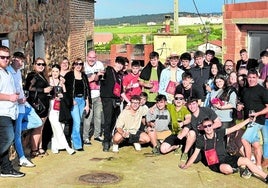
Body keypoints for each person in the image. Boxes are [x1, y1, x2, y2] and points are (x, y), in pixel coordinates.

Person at [180, 118, 268, 184]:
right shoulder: (201, 139)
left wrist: (248, 120)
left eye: (210, 125)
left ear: (213, 125)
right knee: (227, 169)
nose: (208, 128)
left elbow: (235, 127)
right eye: (205, 126)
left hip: (226, 157)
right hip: (214, 163)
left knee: (246, 160)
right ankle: (234, 169)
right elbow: (195, 154)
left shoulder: (219, 132)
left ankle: (265, 177)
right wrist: (186, 165)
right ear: (203, 128)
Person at [7, 51, 42, 167]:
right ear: (13, 59)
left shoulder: (18, 72)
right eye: (19, 60)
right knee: (17, 135)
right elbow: (8, 93)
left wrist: (24, 99)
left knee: (37, 121)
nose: (21, 63)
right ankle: (22, 158)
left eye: (22, 61)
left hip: (24, 105)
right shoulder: (8, 72)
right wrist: (18, 100)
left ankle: (13, 131)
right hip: (16, 106)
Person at [238, 69, 268, 177]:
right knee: (255, 144)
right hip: (248, 121)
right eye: (249, 77)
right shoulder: (245, 90)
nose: (251, 79)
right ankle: (258, 166)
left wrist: (257, 114)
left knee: (244, 140)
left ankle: (248, 167)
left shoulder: (262, 91)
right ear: (247, 78)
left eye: (253, 77)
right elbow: (244, 103)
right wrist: (240, 106)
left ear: (257, 77)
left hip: (257, 120)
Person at [0, 46, 25, 177]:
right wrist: (9, 97)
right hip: (2, 112)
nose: (5, 59)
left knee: (5, 139)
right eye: (2, 57)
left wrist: (15, 97)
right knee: (8, 138)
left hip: (11, 111)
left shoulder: (7, 72)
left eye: (7, 57)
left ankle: (6, 168)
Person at [25, 57, 52, 157]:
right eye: (39, 64)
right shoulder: (32, 75)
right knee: (37, 127)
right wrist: (43, 90)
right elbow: (28, 88)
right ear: (34, 65)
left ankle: (40, 147)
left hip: (44, 105)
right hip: (37, 106)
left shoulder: (43, 76)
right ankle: (34, 150)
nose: (41, 66)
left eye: (43, 64)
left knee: (41, 128)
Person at [180, 97, 222, 162]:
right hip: (199, 141)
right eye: (190, 104)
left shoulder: (207, 110)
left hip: (210, 139)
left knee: (213, 161)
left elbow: (218, 123)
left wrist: (205, 127)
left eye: (193, 104)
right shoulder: (189, 116)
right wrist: (180, 137)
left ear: (197, 104)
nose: (192, 106)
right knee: (195, 160)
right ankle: (185, 152)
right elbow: (186, 128)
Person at [48, 64, 75, 155]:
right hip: (51, 107)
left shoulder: (61, 81)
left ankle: (54, 146)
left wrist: (62, 94)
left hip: (61, 107)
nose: (55, 73)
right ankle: (67, 147)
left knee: (61, 126)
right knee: (57, 127)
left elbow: (66, 94)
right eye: (53, 71)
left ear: (59, 72)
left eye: (57, 71)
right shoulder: (48, 80)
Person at [64, 58, 91, 151]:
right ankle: (78, 145)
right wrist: (71, 99)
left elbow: (87, 90)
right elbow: (66, 89)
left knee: (79, 122)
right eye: (76, 64)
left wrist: (87, 104)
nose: (78, 66)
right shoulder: (69, 75)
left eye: (80, 64)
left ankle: (73, 137)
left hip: (82, 100)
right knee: (77, 122)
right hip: (74, 101)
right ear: (73, 65)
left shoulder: (84, 76)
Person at [100, 56, 125, 152]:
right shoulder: (108, 70)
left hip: (117, 100)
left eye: (121, 64)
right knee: (108, 120)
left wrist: (129, 101)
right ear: (115, 63)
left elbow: (121, 91)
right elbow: (100, 77)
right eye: (118, 63)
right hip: (108, 99)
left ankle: (110, 136)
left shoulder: (119, 76)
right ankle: (106, 141)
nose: (119, 65)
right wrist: (99, 74)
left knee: (115, 120)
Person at [83, 50, 105, 145]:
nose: (92, 59)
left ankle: (97, 135)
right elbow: (83, 81)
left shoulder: (99, 64)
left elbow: (101, 79)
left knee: (98, 117)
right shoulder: (83, 66)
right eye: (90, 57)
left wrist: (99, 76)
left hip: (98, 95)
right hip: (88, 96)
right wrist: (92, 78)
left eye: (94, 57)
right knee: (88, 117)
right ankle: (85, 137)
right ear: (87, 57)